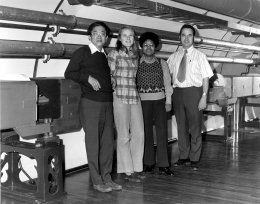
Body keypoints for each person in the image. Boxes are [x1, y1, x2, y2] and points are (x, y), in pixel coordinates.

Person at [64, 21, 122, 192]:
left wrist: (110, 79)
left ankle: (107, 178)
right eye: (95, 32)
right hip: (90, 103)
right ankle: (97, 181)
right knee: (93, 143)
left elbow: (100, 74)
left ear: (106, 38)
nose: (99, 35)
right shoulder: (82, 52)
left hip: (107, 103)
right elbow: (69, 73)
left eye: (102, 33)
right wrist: (87, 78)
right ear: (89, 36)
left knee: (107, 142)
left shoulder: (104, 55)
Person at [167, 24, 213, 171]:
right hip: (177, 94)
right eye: (183, 35)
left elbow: (206, 78)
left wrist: (204, 97)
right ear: (179, 37)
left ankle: (194, 158)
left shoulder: (201, 56)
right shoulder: (173, 57)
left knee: (195, 127)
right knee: (181, 127)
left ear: (194, 37)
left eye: (189, 35)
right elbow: (167, 77)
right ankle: (183, 156)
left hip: (195, 93)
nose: (186, 38)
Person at [107, 26, 145, 182]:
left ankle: (137, 167)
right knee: (123, 135)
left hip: (134, 95)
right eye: (125, 35)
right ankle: (127, 170)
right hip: (120, 95)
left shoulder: (135, 55)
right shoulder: (114, 54)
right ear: (119, 38)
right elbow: (109, 75)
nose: (128, 38)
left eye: (131, 36)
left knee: (139, 133)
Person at [136, 32, 174, 176]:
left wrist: (168, 101)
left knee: (162, 132)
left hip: (160, 102)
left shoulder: (162, 63)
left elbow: (167, 84)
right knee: (146, 133)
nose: (148, 47)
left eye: (151, 45)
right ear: (141, 47)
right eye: (145, 45)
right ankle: (148, 163)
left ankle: (164, 165)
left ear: (155, 47)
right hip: (142, 103)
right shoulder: (137, 62)